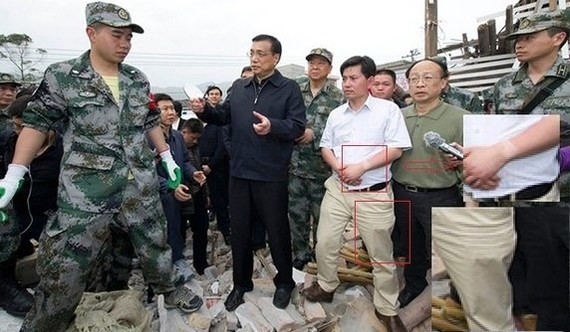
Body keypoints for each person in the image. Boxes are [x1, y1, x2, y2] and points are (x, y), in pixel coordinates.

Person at [0, 3, 202, 330]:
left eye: (129, 38)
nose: (125, 44)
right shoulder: (63, 76)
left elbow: (150, 120)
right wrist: (15, 172)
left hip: (138, 181)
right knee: (67, 263)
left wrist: (166, 156)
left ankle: (168, 287)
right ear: (91, 34)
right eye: (117, 35)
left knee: (154, 240)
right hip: (86, 189)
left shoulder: (137, 79)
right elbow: (36, 124)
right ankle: (46, 321)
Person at [436, 9, 569, 331]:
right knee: (509, 260)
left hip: (554, 192)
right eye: (516, 39)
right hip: (502, 191)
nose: (519, 45)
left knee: (552, 265)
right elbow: (490, 132)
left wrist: (512, 154)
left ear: (558, 38)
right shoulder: (504, 85)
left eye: (529, 37)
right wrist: (468, 155)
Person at [191, 34, 306, 311]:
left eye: (261, 54)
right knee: (240, 231)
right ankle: (242, 283)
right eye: (251, 53)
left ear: (275, 58)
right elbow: (223, 117)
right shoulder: (239, 87)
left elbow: (298, 127)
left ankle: (285, 282)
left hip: (271, 173)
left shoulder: (288, 88)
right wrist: (205, 110)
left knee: (277, 232)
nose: (254, 58)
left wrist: (273, 127)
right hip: (240, 172)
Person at [302, 55, 411, 332]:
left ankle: (387, 308)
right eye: (344, 79)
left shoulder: (388, 111)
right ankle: (327, 284)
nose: (347, 84)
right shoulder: (337, 114)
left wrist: (362, 165)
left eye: (353, 78)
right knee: (325, 242)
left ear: (370, 81)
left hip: (373, 193)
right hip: (338, 189)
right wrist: (338, 167)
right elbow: (325, 146)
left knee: (381, 254)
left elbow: (397, 147)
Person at [390, 59, 467, 308]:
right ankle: (415, 286)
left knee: (445, 251)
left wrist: (462, 160)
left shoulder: (461, 118)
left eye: (428, 78)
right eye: (414, 79)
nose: (419, 84)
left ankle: (449, 301)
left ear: (444, 83)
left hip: (442, 195)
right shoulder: (397, 117)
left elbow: (478, 159)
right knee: (411, 246)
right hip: (403, 191)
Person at [0, 94, 62, 317]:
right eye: (15, 127)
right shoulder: (10, 143)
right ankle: (5, 285)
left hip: (50, 218)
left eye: (22, 127)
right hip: (17, 219)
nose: (18, 133)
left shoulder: (63, 149)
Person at [289, 48, 343, 270]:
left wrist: (315, 134)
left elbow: (341, 129)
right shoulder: (294, 90)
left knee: (323, 218)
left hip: (321, 168)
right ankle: (301, 253)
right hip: (293, 166)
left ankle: (322, 254)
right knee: (296, 214)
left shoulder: (337, 98)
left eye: (321, 63)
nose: (315, 67)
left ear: (329, 68)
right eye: (312, 63)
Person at [154, 93, 205, 281]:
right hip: (156, 197)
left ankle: (177, 264)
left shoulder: (176, 136)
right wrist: (168, 185)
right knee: (159, 237)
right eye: (165, 109)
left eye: (172, 108)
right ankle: (157, 282)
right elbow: (146, 172)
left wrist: (193, 173)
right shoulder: (147, 137)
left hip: (175, 196)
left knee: (175, 229)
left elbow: (183, 162)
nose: (171, 112)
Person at [200, 85, 231, 244]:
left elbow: (223, 146)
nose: (213, 96)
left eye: (216, 94)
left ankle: (227, 232)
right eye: (211, 94)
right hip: (199, 166)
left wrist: (211, 165)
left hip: (218, 165)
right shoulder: (198, 119)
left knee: (222, 199)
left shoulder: (222, 118)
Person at [180, 118, 211, 275]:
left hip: (198, 194)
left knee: (201, 229)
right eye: (192, 137)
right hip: (180, 195)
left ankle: (201, 264)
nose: (195, 141)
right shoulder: (174, 145)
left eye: (198, 138)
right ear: (184, 132)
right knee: (179, 233)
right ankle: (178, 266)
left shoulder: (197, 147)